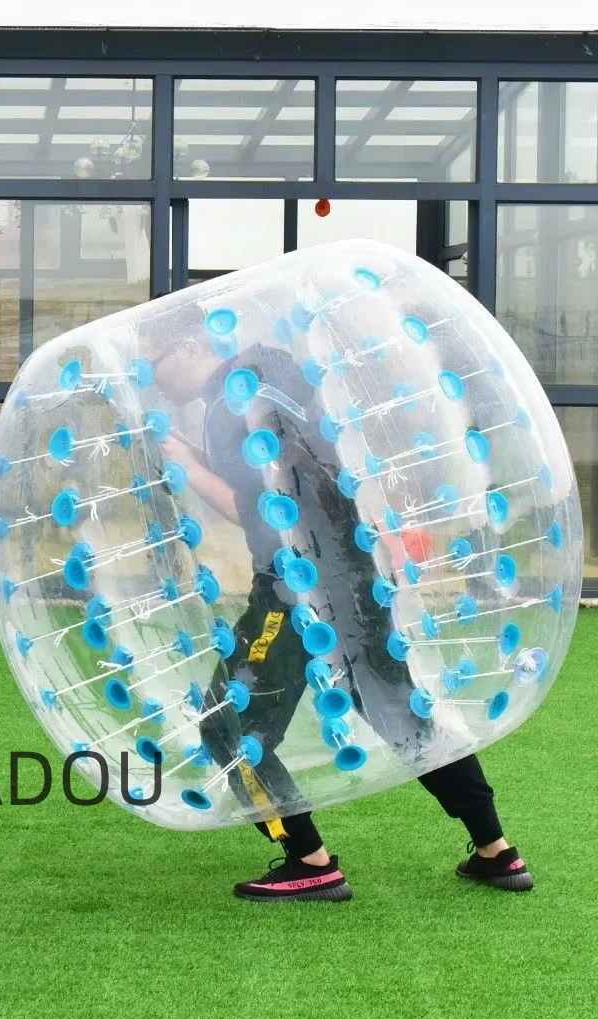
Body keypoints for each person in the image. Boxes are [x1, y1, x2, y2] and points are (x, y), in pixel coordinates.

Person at [140, 312, 534, 902]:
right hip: (353, 571)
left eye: (153, 366)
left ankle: (311, 862)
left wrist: (188, 466)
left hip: (295, 586)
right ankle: (496, 849)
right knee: (395, 706)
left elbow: (259, 511)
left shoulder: (230, 408)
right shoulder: (278, 375)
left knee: (228, 728)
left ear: (190, 344)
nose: (153, 382)